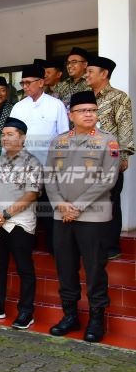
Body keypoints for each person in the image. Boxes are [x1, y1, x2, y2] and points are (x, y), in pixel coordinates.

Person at [45, 90, 120, 343]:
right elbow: (50, 176)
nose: (89, 114)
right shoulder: (59, 141)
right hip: (62, 216)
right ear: (71, 115)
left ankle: (97, 319)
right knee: (65, 267)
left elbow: (108, 179)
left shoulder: (107, 141)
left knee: (95, 268)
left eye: (93, 110)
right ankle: (70, 316)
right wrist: (60, 204)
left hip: (93, 217)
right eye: (83, 110)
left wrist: (75, 206)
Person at [0, 117, 42, 329]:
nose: (4, 138)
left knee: (25, 268)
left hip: (19, 223)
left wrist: (4, 214)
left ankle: (26, 312)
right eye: (3, 134)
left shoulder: (32, 162)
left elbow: (31, 194)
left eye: (10, 134)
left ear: (22, 137)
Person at [10, 63, 69, 253]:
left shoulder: (56, 105)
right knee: (26, 206)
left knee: (49, 207)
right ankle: (28, 245)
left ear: (41, 82)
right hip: (23, 167)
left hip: (49, 166)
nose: (25, 86)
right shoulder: (18, 107)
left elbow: (64, 135)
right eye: (23, 83)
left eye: (28, 82)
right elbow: (10, 136)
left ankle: (53, 248)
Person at [85, 56, 133, 259]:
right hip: (86, 158)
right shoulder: (84, 98)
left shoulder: (118, 97)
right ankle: (92, 245)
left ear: (104, 74)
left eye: (90, 71)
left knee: (110, 201)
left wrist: (123, 155)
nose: (86, 75)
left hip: (109, 159)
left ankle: (111, 247)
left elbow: (125, 127)